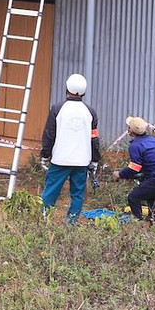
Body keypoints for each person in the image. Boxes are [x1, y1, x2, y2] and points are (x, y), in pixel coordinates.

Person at [39, 73, 101, 224]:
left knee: (51, 190)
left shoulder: (57, 108)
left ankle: (43, 219)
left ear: (67, 88)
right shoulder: (90, 112)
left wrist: (45, 154)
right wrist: (95, 159)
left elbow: (49, 134)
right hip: (81, 161)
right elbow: (94, 139)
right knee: (77, 193)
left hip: (60, 159)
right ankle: (71, 222)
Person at [117, 116, 155, 222]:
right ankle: (153, 220)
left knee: (133, 197)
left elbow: (134, 169)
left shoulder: (135, 146)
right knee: (151, 194)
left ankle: (139, 222)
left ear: (130, 131)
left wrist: (120, 174)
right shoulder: (152, 140)